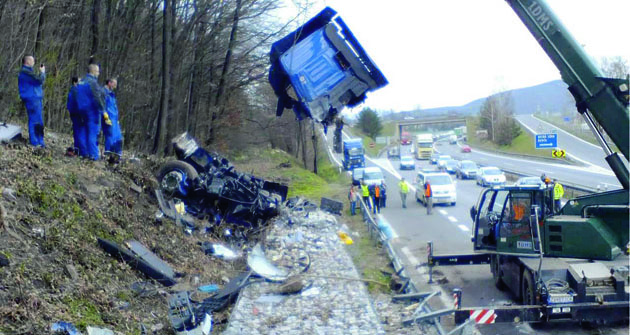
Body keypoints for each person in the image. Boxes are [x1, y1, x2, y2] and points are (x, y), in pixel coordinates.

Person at [76, 63, 107, 160]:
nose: (98, 73)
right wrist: (103, 111)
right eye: (97, 71)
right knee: (92, 133)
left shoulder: (81, 82)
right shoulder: (93, 83)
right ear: (93, 71)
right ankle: (93, 155)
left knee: (82, 132)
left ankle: (83, 153)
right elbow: (97, 98)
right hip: (92, 112)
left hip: (81, 110)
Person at [18, 55, 46, 147]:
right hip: (33, 99)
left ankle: (37, 141)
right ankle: (36, 141)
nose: (34, 62)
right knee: (36, 121)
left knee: (35, 120)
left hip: (32, 98)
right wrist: (42, 72)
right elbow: (39, 80)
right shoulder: (26, 72)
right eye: (32, 60)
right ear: (27, 62)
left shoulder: (27, 72)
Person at [103, 78, 123, 159]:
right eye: (114, 84)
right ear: (109, 83)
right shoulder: (104, 93)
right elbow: (102, 105)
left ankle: (117, 154)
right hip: (109, 118)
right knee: (110, 135)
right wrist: (105, 116)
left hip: (114, 118)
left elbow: (114, 107)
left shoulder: (112, 94)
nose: (115, 86)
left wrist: (117, 119)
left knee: (118, 137)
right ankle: (108, 153)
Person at [66, 77, 86, 157]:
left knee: (77, 132)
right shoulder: (75, 91)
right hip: (77, 114)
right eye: (79, 81)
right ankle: (80, 151)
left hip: (75, 114)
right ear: (75, 82)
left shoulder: (73, 91)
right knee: (79, 132)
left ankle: (78, 149)